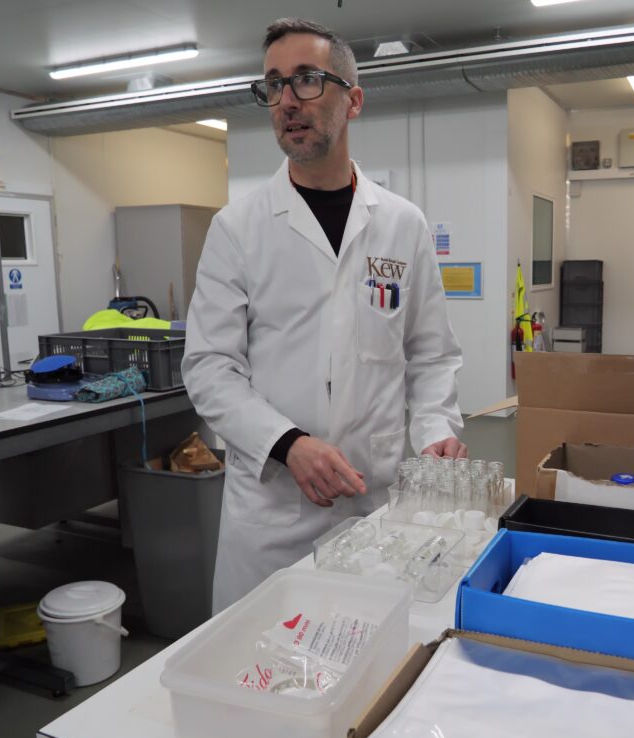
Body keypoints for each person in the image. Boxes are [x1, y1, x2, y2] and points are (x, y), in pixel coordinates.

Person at [182, 18, 466, 613]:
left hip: (374, 498)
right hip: (272, 513)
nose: (287, 100)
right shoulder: (238, 228)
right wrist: (288, 444)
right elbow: (209, 367)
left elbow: (431, 352)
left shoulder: (401, 223)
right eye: (274, 85)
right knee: (259, 666)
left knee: (365, 667)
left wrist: (436, 430)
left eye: (308, 81)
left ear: (353, 100)